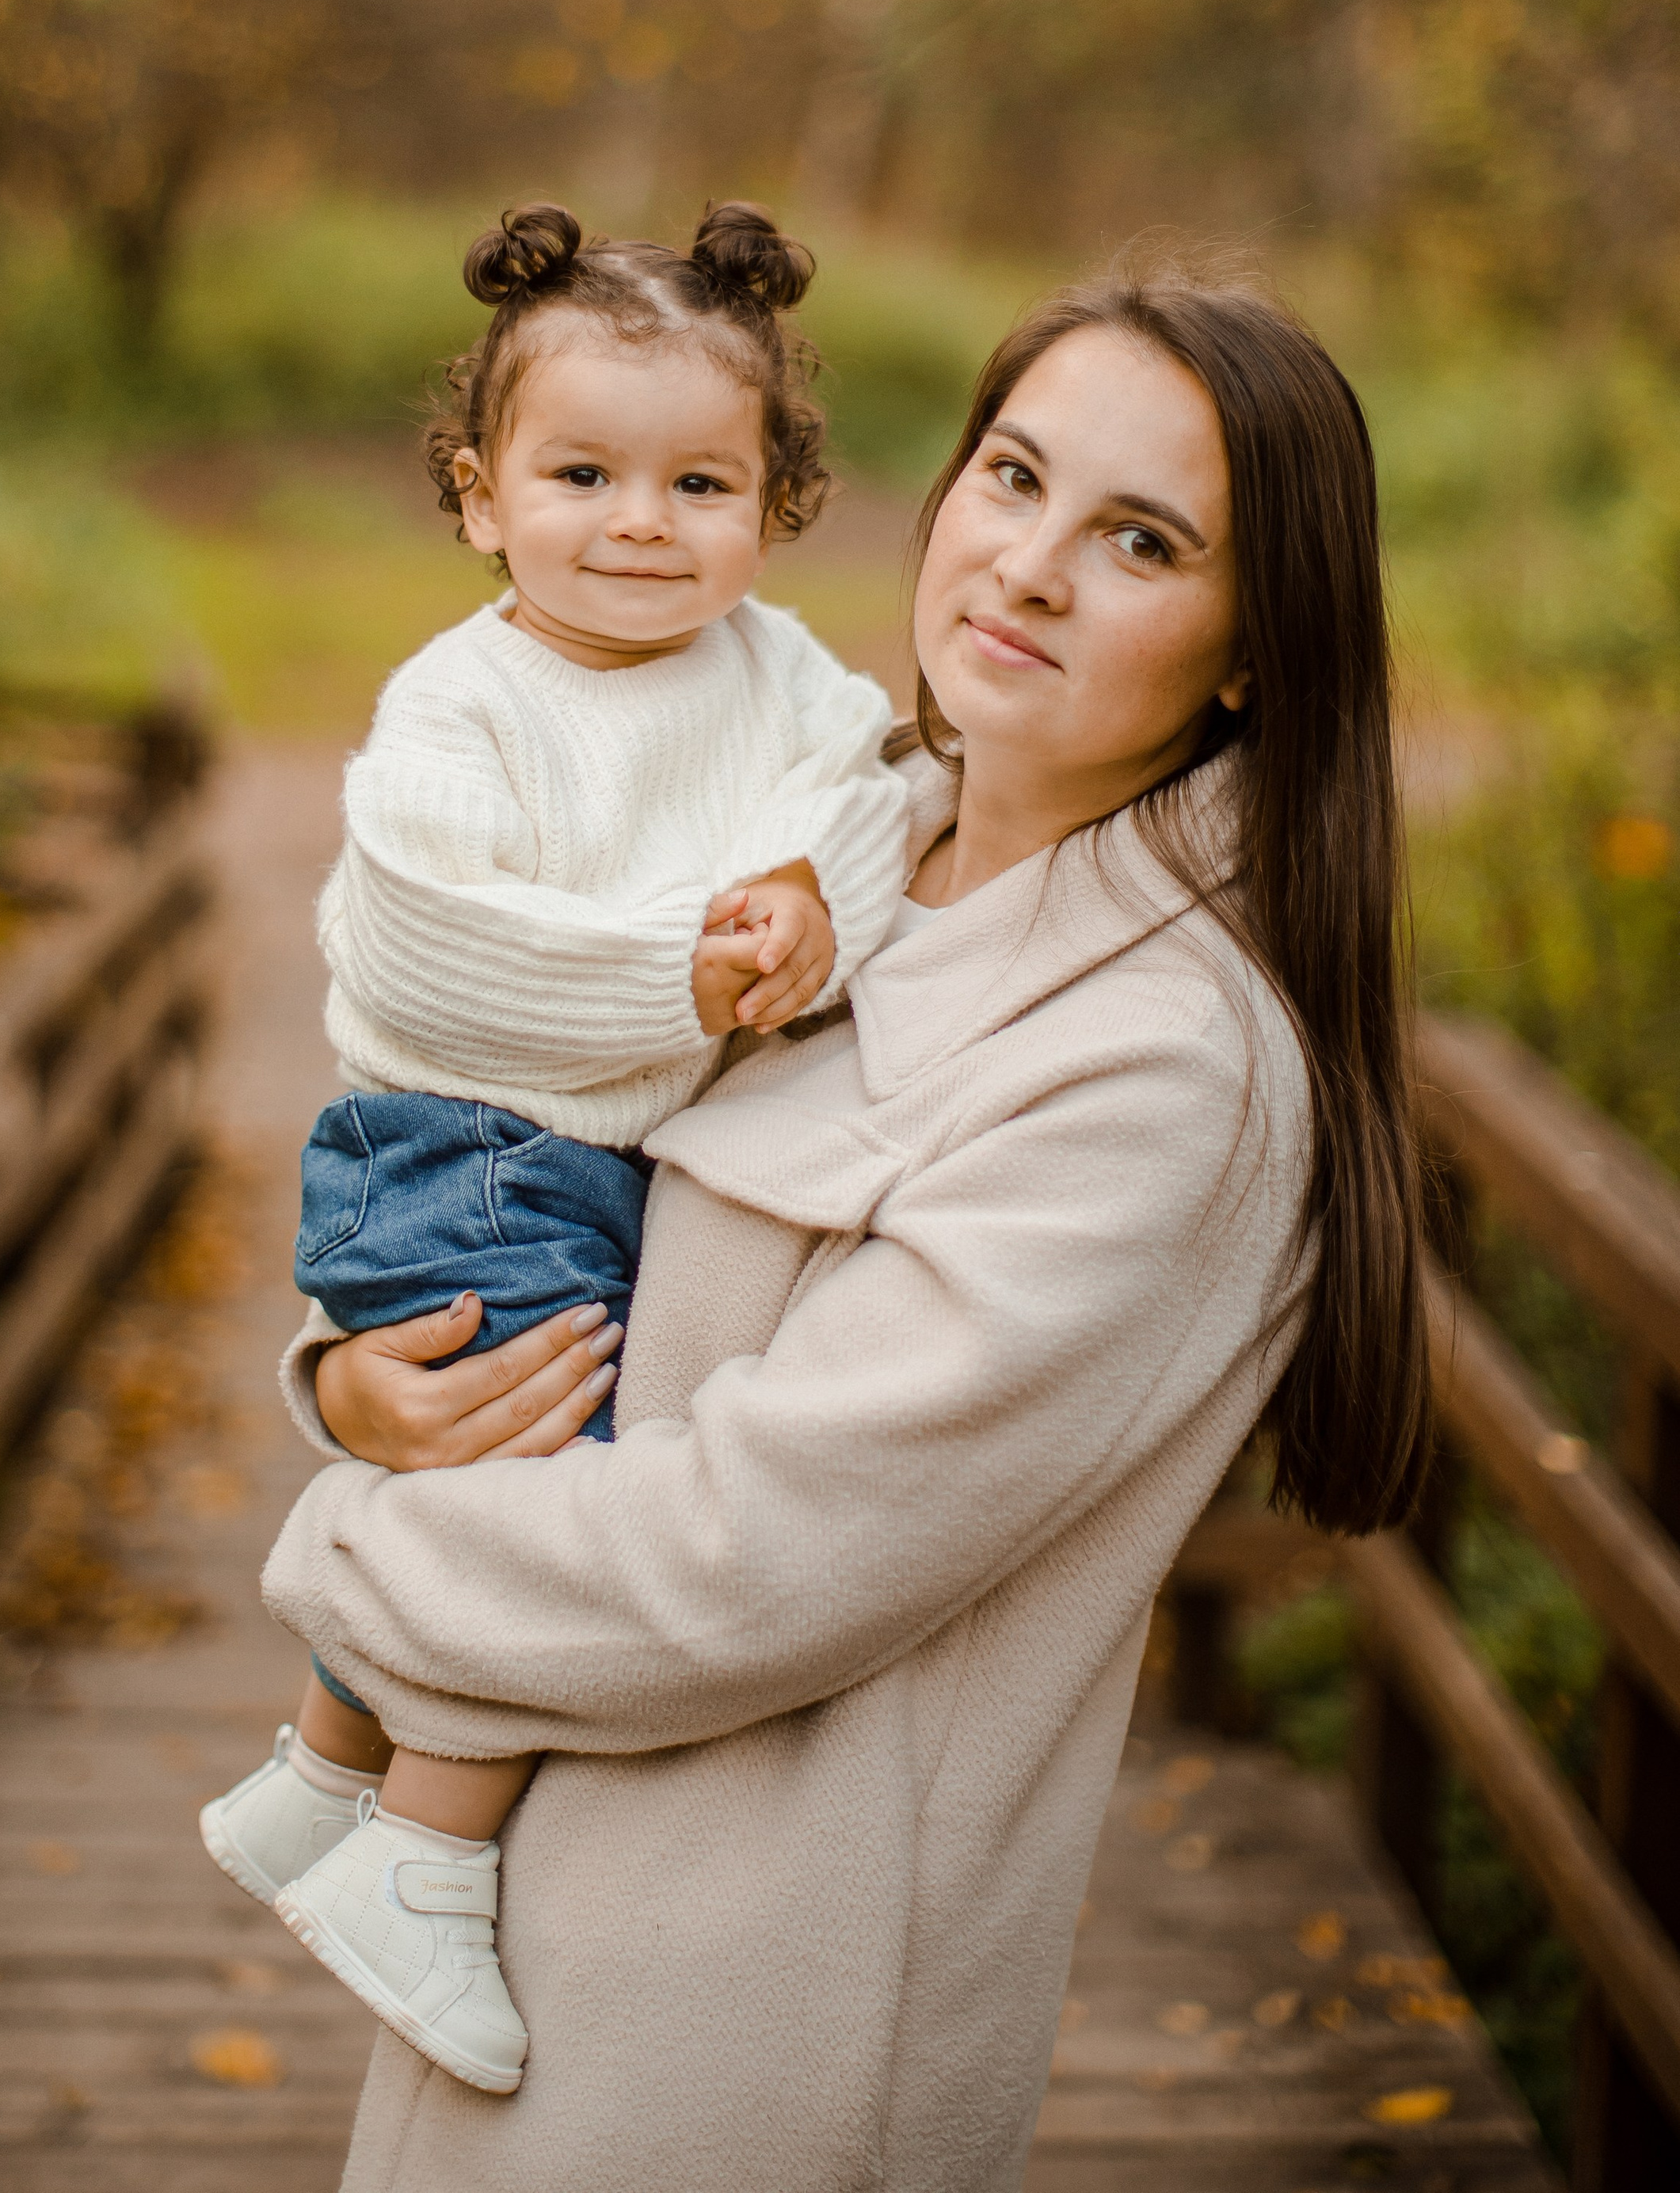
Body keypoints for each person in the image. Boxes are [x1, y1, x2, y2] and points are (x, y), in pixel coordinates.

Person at [257, 259, 1436, 2193]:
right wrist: (369, 1388)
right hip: (514, 1934)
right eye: (1008, 479)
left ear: (1252, 651)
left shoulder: (1161, 1070)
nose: (1026, 568)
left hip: (743, 2046)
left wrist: (348, 1544)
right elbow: (536, 1150)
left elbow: (741, 1557)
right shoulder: (829, 846)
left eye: (1138, 539)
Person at [199, 199, 912, 2092]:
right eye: (580, 471)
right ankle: (421, 1854)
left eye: (700, 480)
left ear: (774, 503)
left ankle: (311, 1783)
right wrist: (687, 978)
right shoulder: (462, 700)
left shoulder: (772, 676)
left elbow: (872, 789)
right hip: (460, 1148)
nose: (638, 521)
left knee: (494, 1472)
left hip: (585, 1164)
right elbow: (432, 937)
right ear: (476, 496)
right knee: (548, 1497)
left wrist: (810, 908)